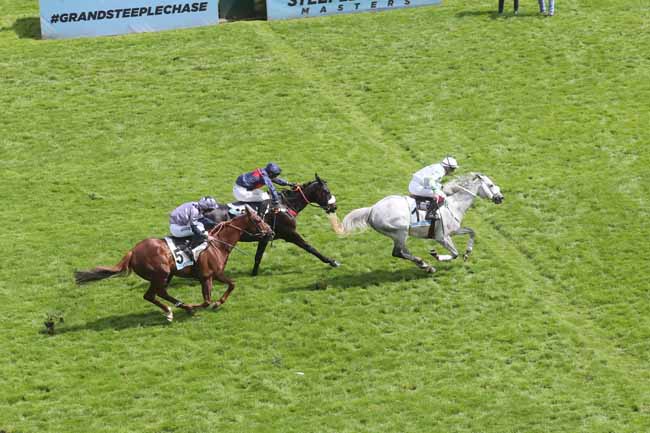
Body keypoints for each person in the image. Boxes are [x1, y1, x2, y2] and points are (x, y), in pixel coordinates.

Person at [408, 156, 459, 221]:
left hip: (415, 185)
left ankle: (424, 206)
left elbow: (427, 181)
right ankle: (430, 214)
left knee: (437, 192)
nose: (453, 171)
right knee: (442, 196)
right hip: (417, 187)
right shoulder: (440, 171)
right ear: (447, 167)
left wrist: (440, 187)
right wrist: (436, 191)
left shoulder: (437, 167)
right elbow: (430, 181)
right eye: (452, 169)